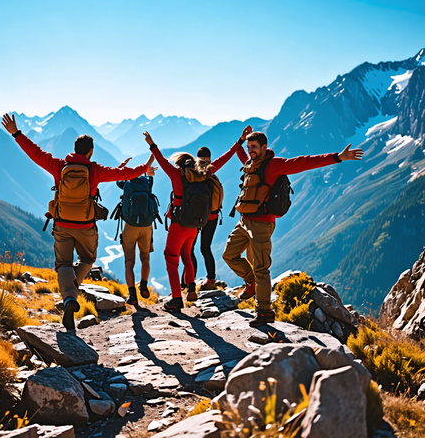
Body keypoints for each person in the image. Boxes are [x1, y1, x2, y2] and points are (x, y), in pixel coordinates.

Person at [1, 113, 154, 330]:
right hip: (86, 226)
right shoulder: (95, 170)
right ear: (91, 152)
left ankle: (69, 298)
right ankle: (72, 292)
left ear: (74, 149)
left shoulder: (59, 166)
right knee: (88, 259)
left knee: (63, 264)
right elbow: (124, 174)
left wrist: (16, 133)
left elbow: (35, 154)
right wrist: (145, 167)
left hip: (62, 224)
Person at [222, 127, 364, 327]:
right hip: (244, 222)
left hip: (262, 224)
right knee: (229, 255)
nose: (250, 150)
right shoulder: (251, 163)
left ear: (264, 147)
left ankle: (264, 312)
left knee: (262, 269)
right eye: (248, 147)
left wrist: (337, 157)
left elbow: (304, 162)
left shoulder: (273, 165)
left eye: (253, 147)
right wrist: (240, 139)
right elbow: (239, 152)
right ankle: (251, 282)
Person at [144, 127, 250, 312]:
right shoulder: (204, 173)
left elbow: (161, 160)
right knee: (187, 254)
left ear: (180, 165)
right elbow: (225, 158)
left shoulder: (176, 174)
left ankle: (177, 299)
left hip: (179, 224)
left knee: (171, 258)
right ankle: (191, 287)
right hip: (195, 225)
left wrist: (152, 145)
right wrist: (239, 141)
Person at [182, 136, 251, 290]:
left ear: (197, 159)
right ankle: (211, 279)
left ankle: (187, 282)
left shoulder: (193, 172)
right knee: (205, 249)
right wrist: (239, 140)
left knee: (189, 250)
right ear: (209, 159)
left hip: (194, 217)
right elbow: (227, 155)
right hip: (211, 217)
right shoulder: (212, 169)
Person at [116, 165, 158, 305]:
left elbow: (117, 179)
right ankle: (144, 285)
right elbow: (151, 179)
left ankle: (132, 295)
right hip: (146, 226)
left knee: (129, 262)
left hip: (131, 226)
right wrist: (149, 173)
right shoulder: (146, 182)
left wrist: (121, 167)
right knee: (145, 257)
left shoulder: (127, 183)